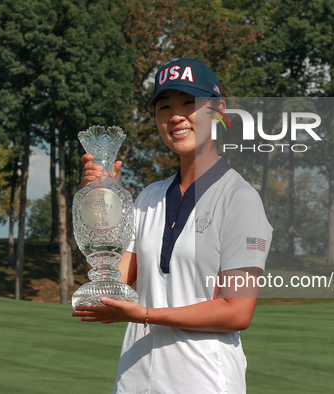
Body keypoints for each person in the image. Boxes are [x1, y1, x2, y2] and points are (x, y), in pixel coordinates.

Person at [73, 58, 273, 394]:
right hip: (134, 381)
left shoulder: (239, 198)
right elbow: (112, 280)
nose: (176, 115)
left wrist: (145, 315)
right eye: (164, 106)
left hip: (204, 382)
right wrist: (101, 200)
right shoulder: (148, 197)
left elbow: (237, 312)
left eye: (189, 103)